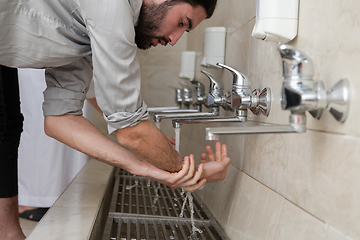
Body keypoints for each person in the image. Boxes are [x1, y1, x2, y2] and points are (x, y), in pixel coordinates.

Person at [0, 0, 231, 239]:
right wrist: (192, 172)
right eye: (182, 23)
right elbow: (133, 133)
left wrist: (142, 166)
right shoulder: (114, 7)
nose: (174, 39)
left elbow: (60, 119)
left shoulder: (84, 35)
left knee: (8, 125)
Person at [17, 68, 93, 221]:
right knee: (39, 127)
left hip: (71, 59)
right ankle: (29, 200)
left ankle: (56, 196)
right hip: (40, 63)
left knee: (69, 128)